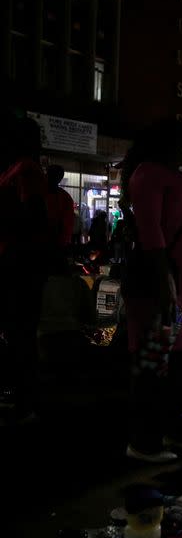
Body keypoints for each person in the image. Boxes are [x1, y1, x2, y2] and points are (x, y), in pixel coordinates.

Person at [120, 118, 182, 462]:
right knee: (153, 362)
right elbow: (150, 231)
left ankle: (172, 431)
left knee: (176, 362)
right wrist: (166, 283)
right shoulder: (149, 174)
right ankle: (144, 442)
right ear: (168, 143)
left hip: (177, 284)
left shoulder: (168, 175)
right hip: (159, 284)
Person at [0, 116, 49, 423]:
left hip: (15, 263)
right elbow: (33, 219)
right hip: (20, 264)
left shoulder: (18, 171)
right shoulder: (24, 170)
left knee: (17, 332)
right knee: (21, 333)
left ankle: (20, 398)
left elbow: (29, 218)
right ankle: (22, 400)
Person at [44, 165, 75, 258]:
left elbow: (66, 223)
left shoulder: (37, 192)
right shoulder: (65, 197)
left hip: (51, 240)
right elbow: (67, 223)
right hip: (55, 241)